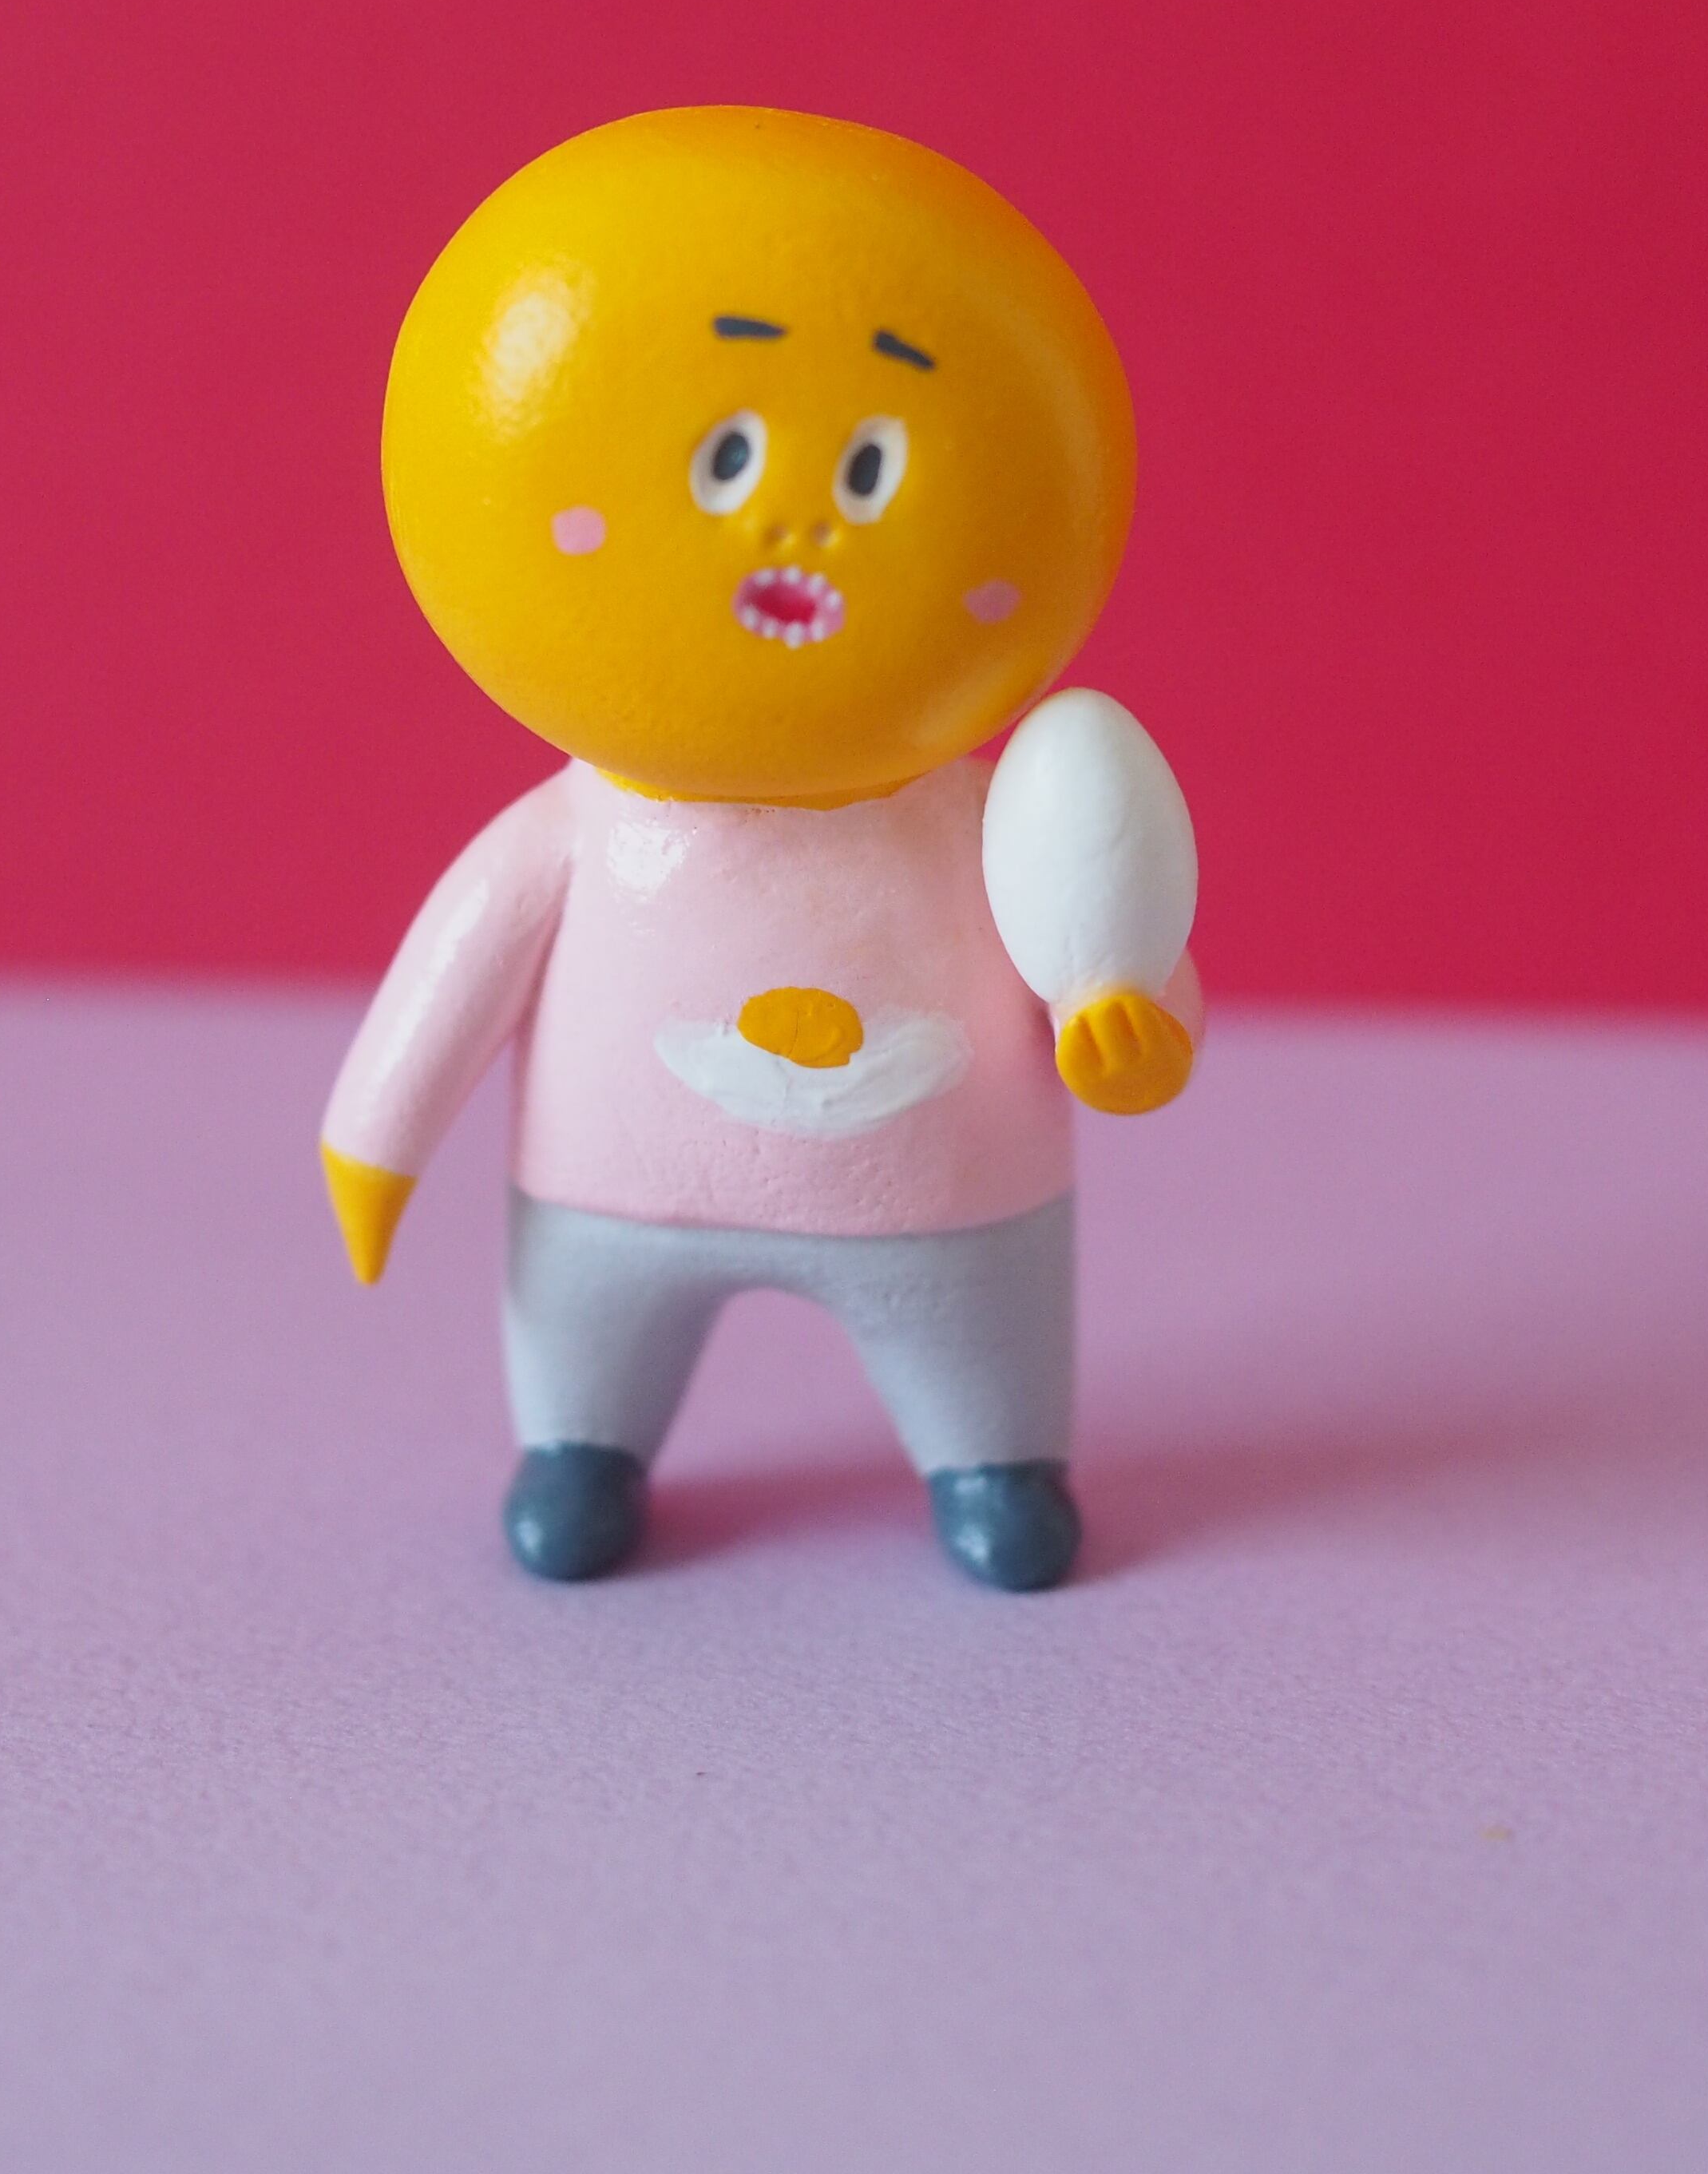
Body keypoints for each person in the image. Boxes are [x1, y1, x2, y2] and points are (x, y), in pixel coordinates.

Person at [321, 107, 1199, 1590]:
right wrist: (376, 1137)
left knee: (977, 1357)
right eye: (724, 456)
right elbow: (458, 967)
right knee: (588, 1349)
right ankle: (581, 1446)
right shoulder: (584, 833)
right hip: (612, 1190)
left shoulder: (996, 817)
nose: (794, 521)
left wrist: (1128, 1019)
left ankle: (996, 1461)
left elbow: (1102, 933)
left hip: (946, 1197)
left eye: (869, 472)